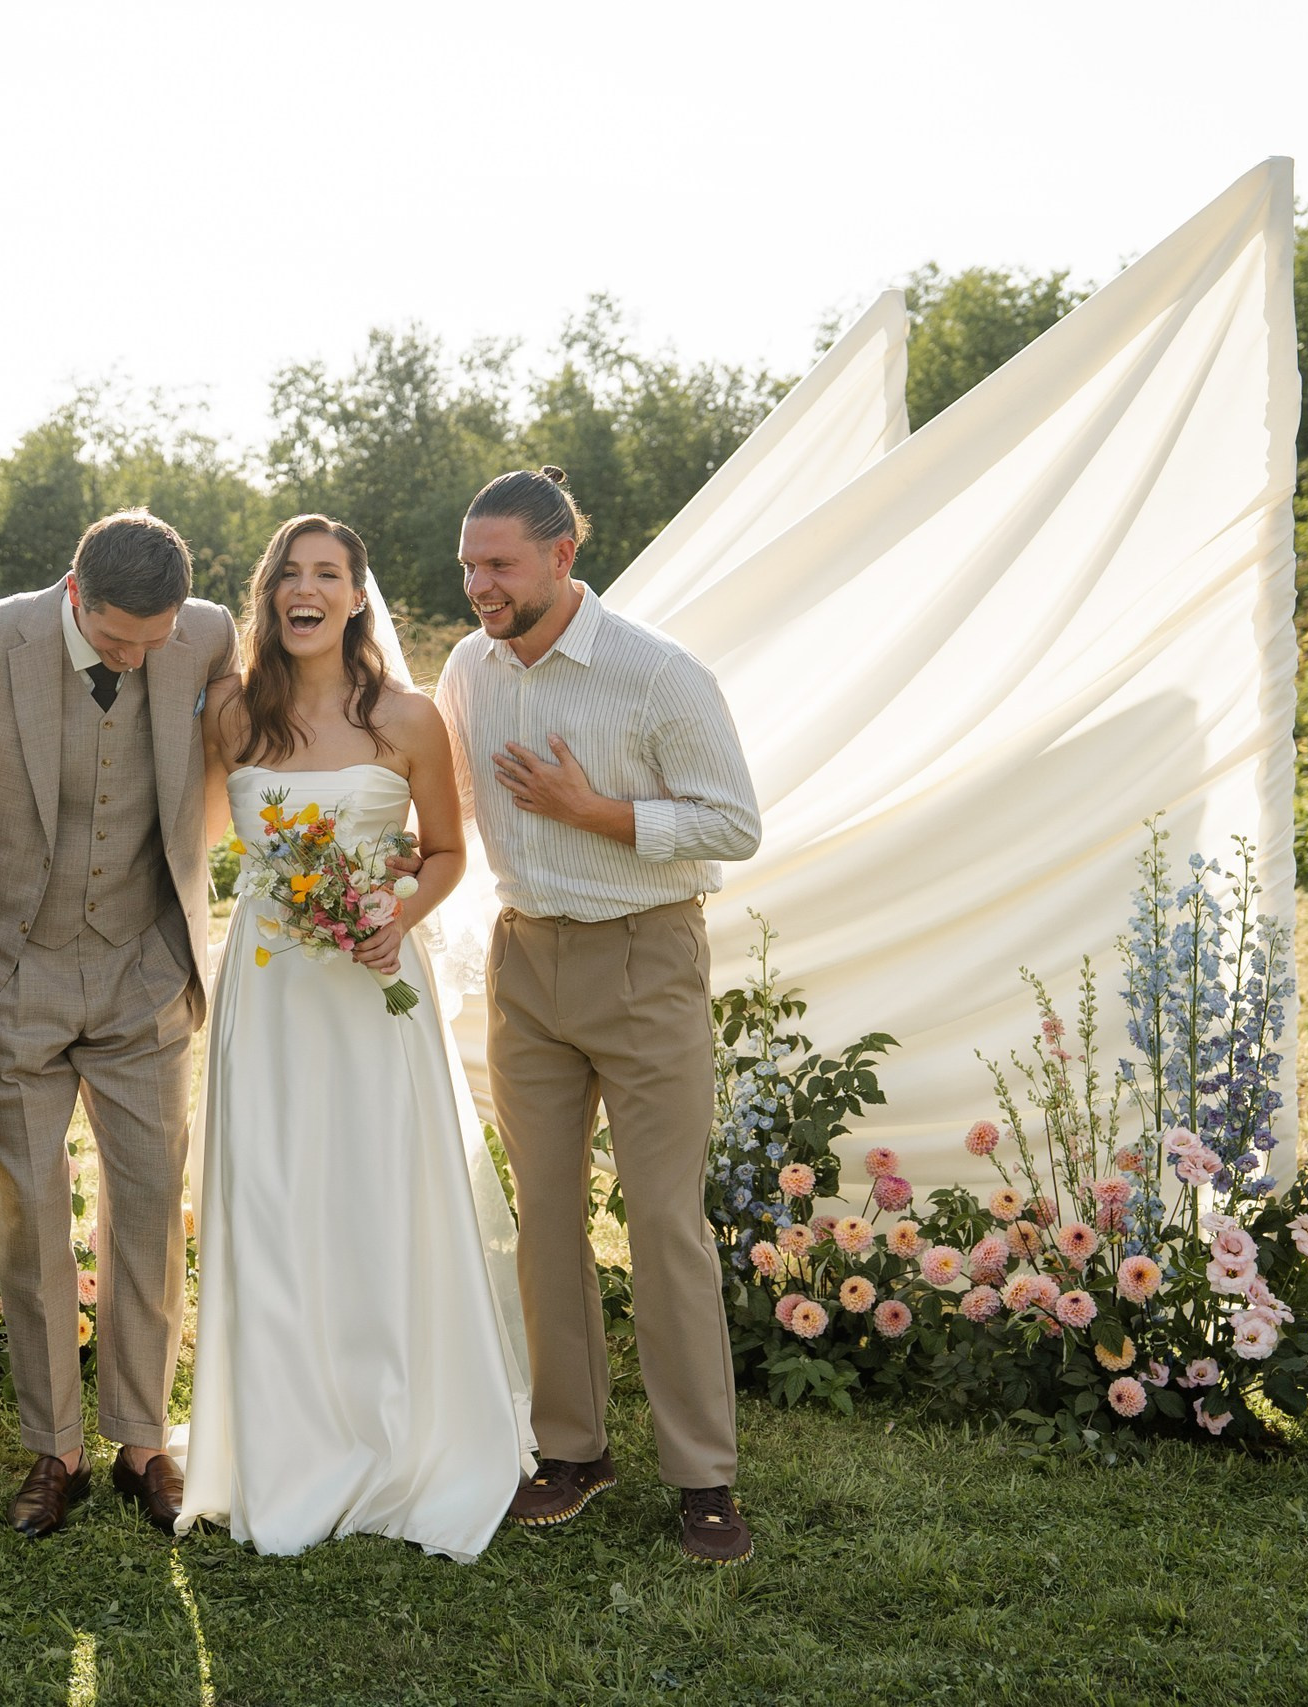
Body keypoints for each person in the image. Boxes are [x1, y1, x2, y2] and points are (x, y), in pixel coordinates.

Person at [175, 514, 530, 1561]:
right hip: (273, 989)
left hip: (374, 991)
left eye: (327, 573)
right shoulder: (229, 717)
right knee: (276, 1198)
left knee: (380, 1194)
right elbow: (187, 841)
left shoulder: (412, 720)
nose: (307, 587)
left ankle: (401, 1431)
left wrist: (393, 917)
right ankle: (286, 1446)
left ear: (355, 595)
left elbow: (445, 851)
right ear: (267, 596)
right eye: (288, 571)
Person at [435, 467, 763, 1564]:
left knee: (665, 1223)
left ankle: (702, 1477)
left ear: (562, 556)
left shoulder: (655, 673)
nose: (479, 585)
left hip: (645, 960)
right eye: (469, 564)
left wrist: (596, 812)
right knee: (546, 1215)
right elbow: (449, 795)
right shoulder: (467, 670)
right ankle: (571, 1449)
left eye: (500, 564)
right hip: (524, 963)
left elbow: (733, 823)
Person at [0, 511, 238, 1539]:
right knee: (35, 1214)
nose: (139, 658)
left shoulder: (212, 633)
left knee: (148, 1206)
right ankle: (54, 1452)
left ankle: (143, 1442)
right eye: (116, 640)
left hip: (144, 968)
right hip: (13, 969)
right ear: (71, 590)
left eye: (155, 640)